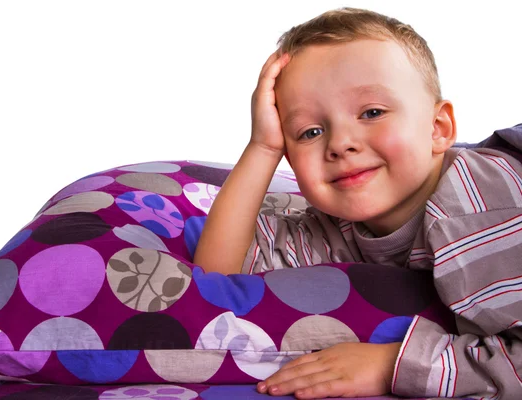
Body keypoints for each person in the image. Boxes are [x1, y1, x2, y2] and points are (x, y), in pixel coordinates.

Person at [193, 7, 522, 400]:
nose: (339, 143)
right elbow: (219, 273)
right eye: (310, 131)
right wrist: (262, 147)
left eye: (372, 112)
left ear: (438, 129)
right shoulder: (340, 223)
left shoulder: (476, 215)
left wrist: (391, 366)